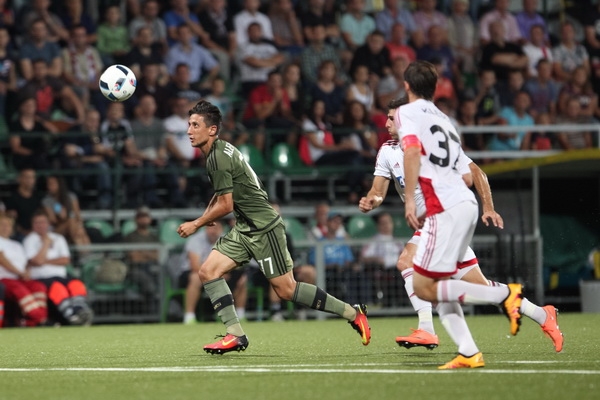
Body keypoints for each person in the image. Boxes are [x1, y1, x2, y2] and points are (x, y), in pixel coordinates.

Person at [359, 94, 563, 365]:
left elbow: (477, 173)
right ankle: (541, 314)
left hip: (445, 216)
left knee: (406, 261)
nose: (385, 123)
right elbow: (378, 191)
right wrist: (372, 200)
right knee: (478, 288)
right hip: (440, 222)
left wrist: (488, 207)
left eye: (390, 117)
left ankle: (427, 329)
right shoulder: (388, 151)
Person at [177, 100, 371, 354]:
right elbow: (223, 195)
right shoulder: (219, 152)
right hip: (245, 227)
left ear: (212, 130)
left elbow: (225, 204)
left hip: (264, 228)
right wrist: (206, 215)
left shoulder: (217, 158)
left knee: (286, 290)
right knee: (208, 271)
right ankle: (234, 334)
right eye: (188, 125)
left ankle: (352, 312)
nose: (189, 130)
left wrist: (197, 223)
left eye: (195, 125)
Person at [394, 61, 544, 368]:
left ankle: (506, 295)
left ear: (407, 86)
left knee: (424, 286)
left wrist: (410, 199)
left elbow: (410, 153)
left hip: (444, 209)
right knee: (442, 284)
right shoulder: (446, 121)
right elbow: (466, 173)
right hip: (464, 204)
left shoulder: (406, 113)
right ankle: (468, 352)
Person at [23, 211, 93, 325]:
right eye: (37, 222)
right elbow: (36, 261)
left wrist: (44, 261)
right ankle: (72, 316)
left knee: (77, 284)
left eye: (43, 222)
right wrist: (45, 244)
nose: (40, 225)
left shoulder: (58, 238)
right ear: (33, 225)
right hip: (41, 278)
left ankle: (81, 311)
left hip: (61, 276)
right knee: (58, 288)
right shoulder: (29, 240)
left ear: (48, 223)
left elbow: (65, 260)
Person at [180, 219, 247, 324]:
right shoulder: (195, 240)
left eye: (216, 228)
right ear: (206, 228)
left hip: (220, 274)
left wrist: (221, 273)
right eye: (210, 227)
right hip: (194, 274)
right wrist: (214, 275)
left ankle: (240, 314)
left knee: (242, 278)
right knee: (195, 278)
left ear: (221, 229)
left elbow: (233, 261)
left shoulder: (226, 239)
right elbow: (195, 266)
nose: (213, 231)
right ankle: (189, 316)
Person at [0, 214, 48, 327]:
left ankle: (32, 321)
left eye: (8, 225)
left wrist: (26, 272)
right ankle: (40, 319)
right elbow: (2, 259)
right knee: (19, 290)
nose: (5, 227)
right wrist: (19, 272)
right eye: (2, 225)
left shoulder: (17, 245)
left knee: (38, 286)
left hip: (19, 278)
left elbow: (25, 263)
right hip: (4, 279)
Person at [3, 169, 43, 239]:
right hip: (20, 235)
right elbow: (12, 222)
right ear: (19, 179)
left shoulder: (37, 197)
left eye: (32, 177)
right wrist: (25, 232)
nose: (30, 180)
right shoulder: (12, 199)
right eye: (27, 177)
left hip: (37, 233)